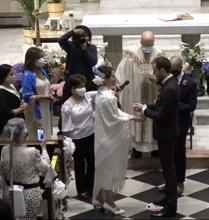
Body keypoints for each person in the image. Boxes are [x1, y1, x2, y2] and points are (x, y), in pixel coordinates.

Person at [92, 65, 143, 215]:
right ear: (105, 79)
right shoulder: (108, 98)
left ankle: (99, 199)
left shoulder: (101, 93)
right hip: (110, 140)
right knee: (108, 171)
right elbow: (115, 118)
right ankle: (110, 203)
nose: (116, 79)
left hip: (102, 138)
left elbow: (114, 112)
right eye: (113, 76)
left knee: (103, 170)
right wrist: (132, 117)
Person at [134, 56, 180, 218]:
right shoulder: (168, 84)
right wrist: (145, 106)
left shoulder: (170, 88)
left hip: (166, 134)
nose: (153, 73)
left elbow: (161, 115)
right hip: (166, 133)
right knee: (167, 170)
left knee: (169, 171)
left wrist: (145, 111)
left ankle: (170, 208)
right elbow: (160, 106)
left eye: (155, 70)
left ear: (162, 70)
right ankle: (167, 199)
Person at [116, 30, 165, 155]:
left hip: (153, 94)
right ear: (140, 41)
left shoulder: (160, 55)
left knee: (153, 119)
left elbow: (165, 75)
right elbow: (121, 72)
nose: (147, 47)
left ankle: (154, 148)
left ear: (154, 42)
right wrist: (120, 85)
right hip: (135, 94)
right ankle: (136, 149)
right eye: (145, 44)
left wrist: (155, 78)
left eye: (150, 44)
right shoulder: (131, 55)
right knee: (136, 118)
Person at [0, 118, 57, 219]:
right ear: (24, 133)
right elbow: (46, 170)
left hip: (9, 194)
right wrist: (43, 149)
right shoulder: (32, 152)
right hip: (29, 195)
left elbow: (2, 173)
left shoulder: (4, 150)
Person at [61, 74, 96, 199]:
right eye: (80, 87)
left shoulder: (88, 97)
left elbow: (102, 93)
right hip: (77, 139)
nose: (83, 89)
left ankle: (91, 188)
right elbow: (65, 128)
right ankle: (81, 189)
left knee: (92, 162)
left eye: (84, 86)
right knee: (80, 165)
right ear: (72, 89)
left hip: (91, 135)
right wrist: (66, 147)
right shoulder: (67, 105)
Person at [170, 56, 197, 194]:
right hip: (168, 122)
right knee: (169, 153)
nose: (172, 73)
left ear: (180, 68)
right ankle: (170, 181)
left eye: (174, 71)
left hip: (181, 122)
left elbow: (191, 106)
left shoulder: (190, 83)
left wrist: (176, 105)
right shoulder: (168, 80)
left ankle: (180, 181)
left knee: (179, 152)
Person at [22, 47, 54, 140]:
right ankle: (41, 149)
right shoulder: (28, 75)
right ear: (32, 60)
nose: (43, 59)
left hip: (46, 107)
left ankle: (46, 147)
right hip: (36, 109)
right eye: (40, 57)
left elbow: (47, 85)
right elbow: (27, 96)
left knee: (46, 130)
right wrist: (45, 97)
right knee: (40, 132)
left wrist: (50, 94)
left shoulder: (42, 71)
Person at [58, 25, 98, 90]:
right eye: (81, 36)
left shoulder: (91, 47)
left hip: (87, 78)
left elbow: (93, 62)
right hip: (73, 78)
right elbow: (61, 41)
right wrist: (73, 31)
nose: (83, 38)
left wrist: (84, 49)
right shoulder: (71, 45)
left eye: (85, 35)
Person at [0, 64, 26, 137]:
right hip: (9, 126)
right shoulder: (1, 91)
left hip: (17, 122)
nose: (14, 76)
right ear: (4, 77)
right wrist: (19, 110)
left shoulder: (11, 86)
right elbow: (3, 111)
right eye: (11, 74)